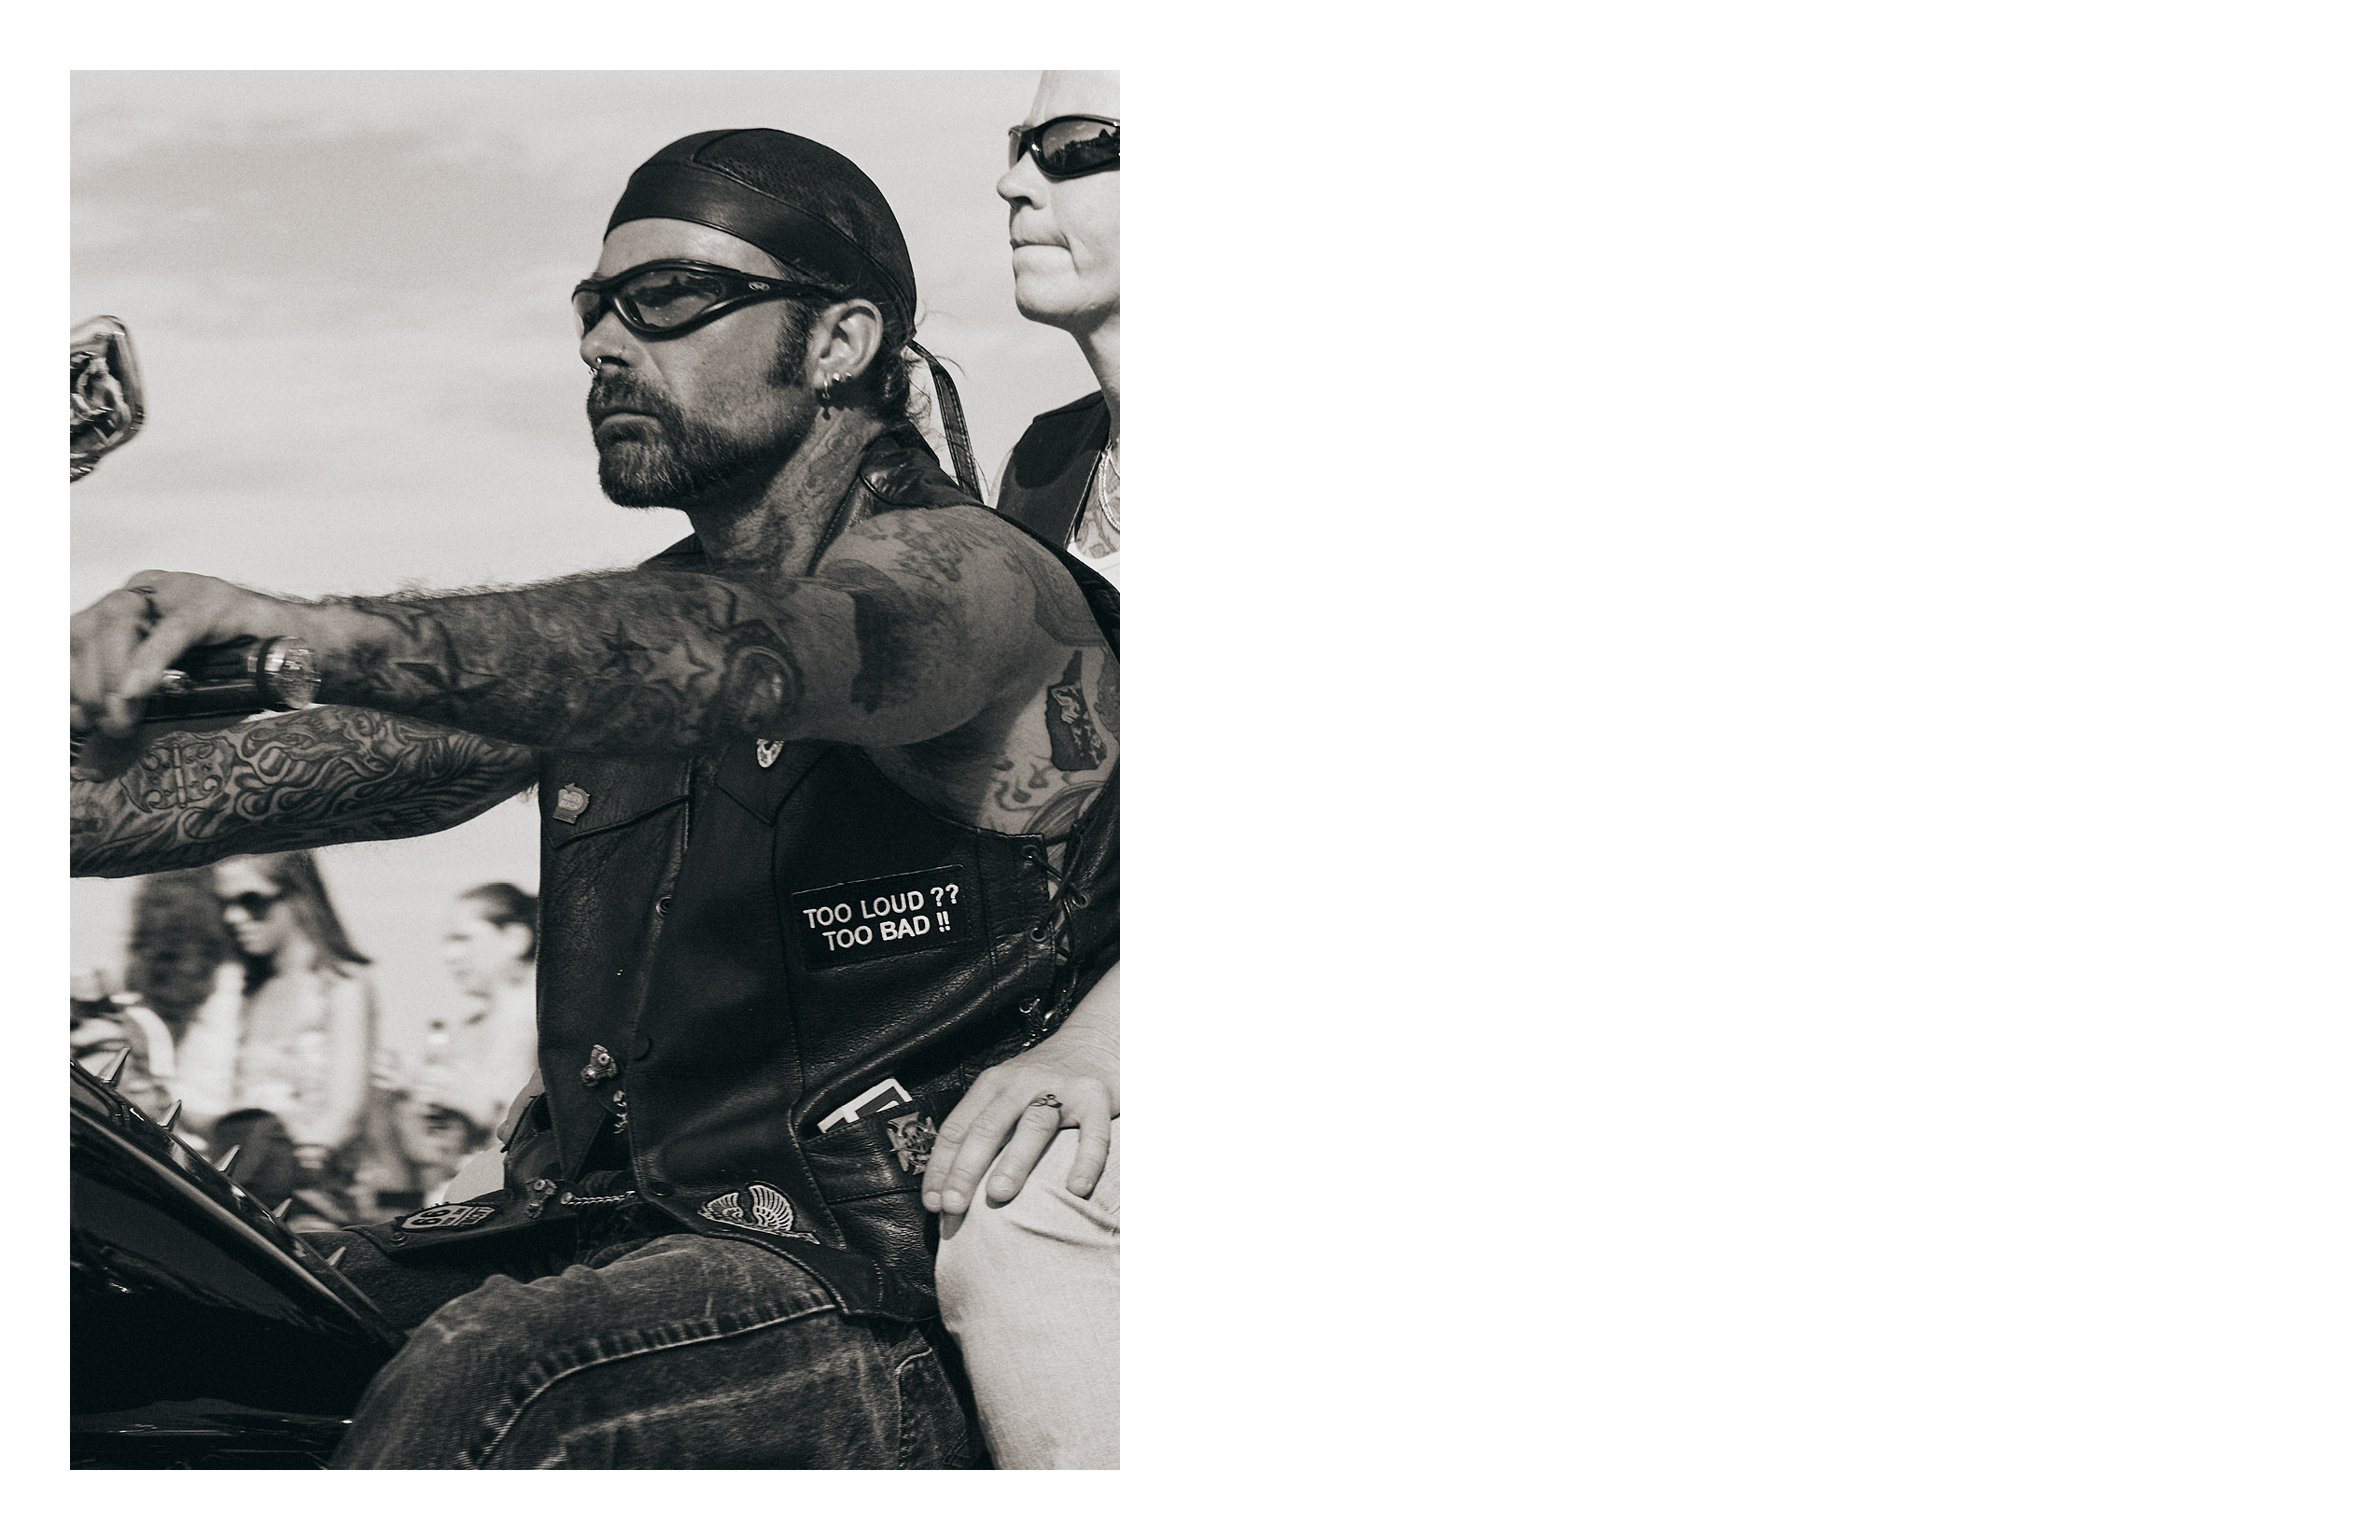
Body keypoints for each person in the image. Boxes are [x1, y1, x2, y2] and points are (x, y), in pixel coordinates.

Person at [71, 124, 1117, 1469]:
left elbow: (758, 649)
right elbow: (201, 791)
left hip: (856, 1293)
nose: (605, 344)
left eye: (667, 298)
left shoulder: (979, 586)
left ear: (841, 340)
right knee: (188, 1337)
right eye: (593, 307)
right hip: (583, 1240)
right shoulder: (610, 655)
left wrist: (310, 631)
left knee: (497, 1379)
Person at [916, 69, 1124, 1471]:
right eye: (1015, 147)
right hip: (1078, 995)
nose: (1013, 182)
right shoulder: (1047, 465)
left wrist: (1101, 1045)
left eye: (1073, 148)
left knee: (1021, 1219)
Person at [172, 850, 386, 1211]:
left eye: (251, 900)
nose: (234, 916)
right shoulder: (240, 989)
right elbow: (209, 1099)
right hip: (242, 1189)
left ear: (297, 895)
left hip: (313, 1200)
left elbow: (345, 1112)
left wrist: (287, 1165)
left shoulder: (342, 982)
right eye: (225, 904)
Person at [392, 882, 542, 1201]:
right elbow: (433, 1155)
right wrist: (409, 1096)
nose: (449, 956)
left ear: (516, 938)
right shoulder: (464, 1032)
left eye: (463, 938)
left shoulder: (552, 1026)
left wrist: (477, 1102)